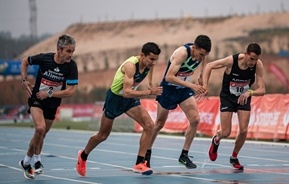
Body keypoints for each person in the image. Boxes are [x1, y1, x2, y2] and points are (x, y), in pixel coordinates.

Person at [76, 42, 162, 176]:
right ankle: (83, 155)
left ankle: (139, 163)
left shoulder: (148, 64)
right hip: (115, 99)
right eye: (151, 59)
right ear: (142, 55)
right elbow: (126, 92)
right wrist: (149, 92)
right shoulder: (130, 66)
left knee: (149, 125)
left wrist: (150, 85)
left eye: (156, 59)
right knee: (102, 135)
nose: (153, 63)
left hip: (129, 101)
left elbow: (143, 79)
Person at [146, 35, 212, 169]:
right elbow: (169, 77)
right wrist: (193, 86)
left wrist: (201, 78)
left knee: (195, 120)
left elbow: (203, 63)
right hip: (168, 89)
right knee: (159, 124)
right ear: (194, 48)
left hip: (183, 89)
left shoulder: (202, 54)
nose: (201, 57)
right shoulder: (182, 53)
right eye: (200, 54)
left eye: (204, 55)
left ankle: (184, 155)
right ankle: (146, 153)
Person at [19, 34, 78, 179]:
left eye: (72, 52)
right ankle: (35, 161)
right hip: (37, 99)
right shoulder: (44, 59)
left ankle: (28, 161)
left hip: (52, 102)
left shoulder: (71, 66)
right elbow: (25, 61)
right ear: (59, 49)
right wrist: (24, 80)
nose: (70, 55)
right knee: (40, 128)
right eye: (68, 51)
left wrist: (49, 93)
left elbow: (70, 92)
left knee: (41, 134)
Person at [202, 43, 265, 170]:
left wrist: (250, 92)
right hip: (228, 97)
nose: (253, 62)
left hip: (243, 97)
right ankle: (216, 140)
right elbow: (209, 66)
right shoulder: (232, 61)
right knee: (226, 132)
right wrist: (205, 86)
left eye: (256, 59)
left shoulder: (258, 65)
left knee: (243, 130)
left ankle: (234, 157)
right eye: (251, 59)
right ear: (245, 54)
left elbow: (262, 89)